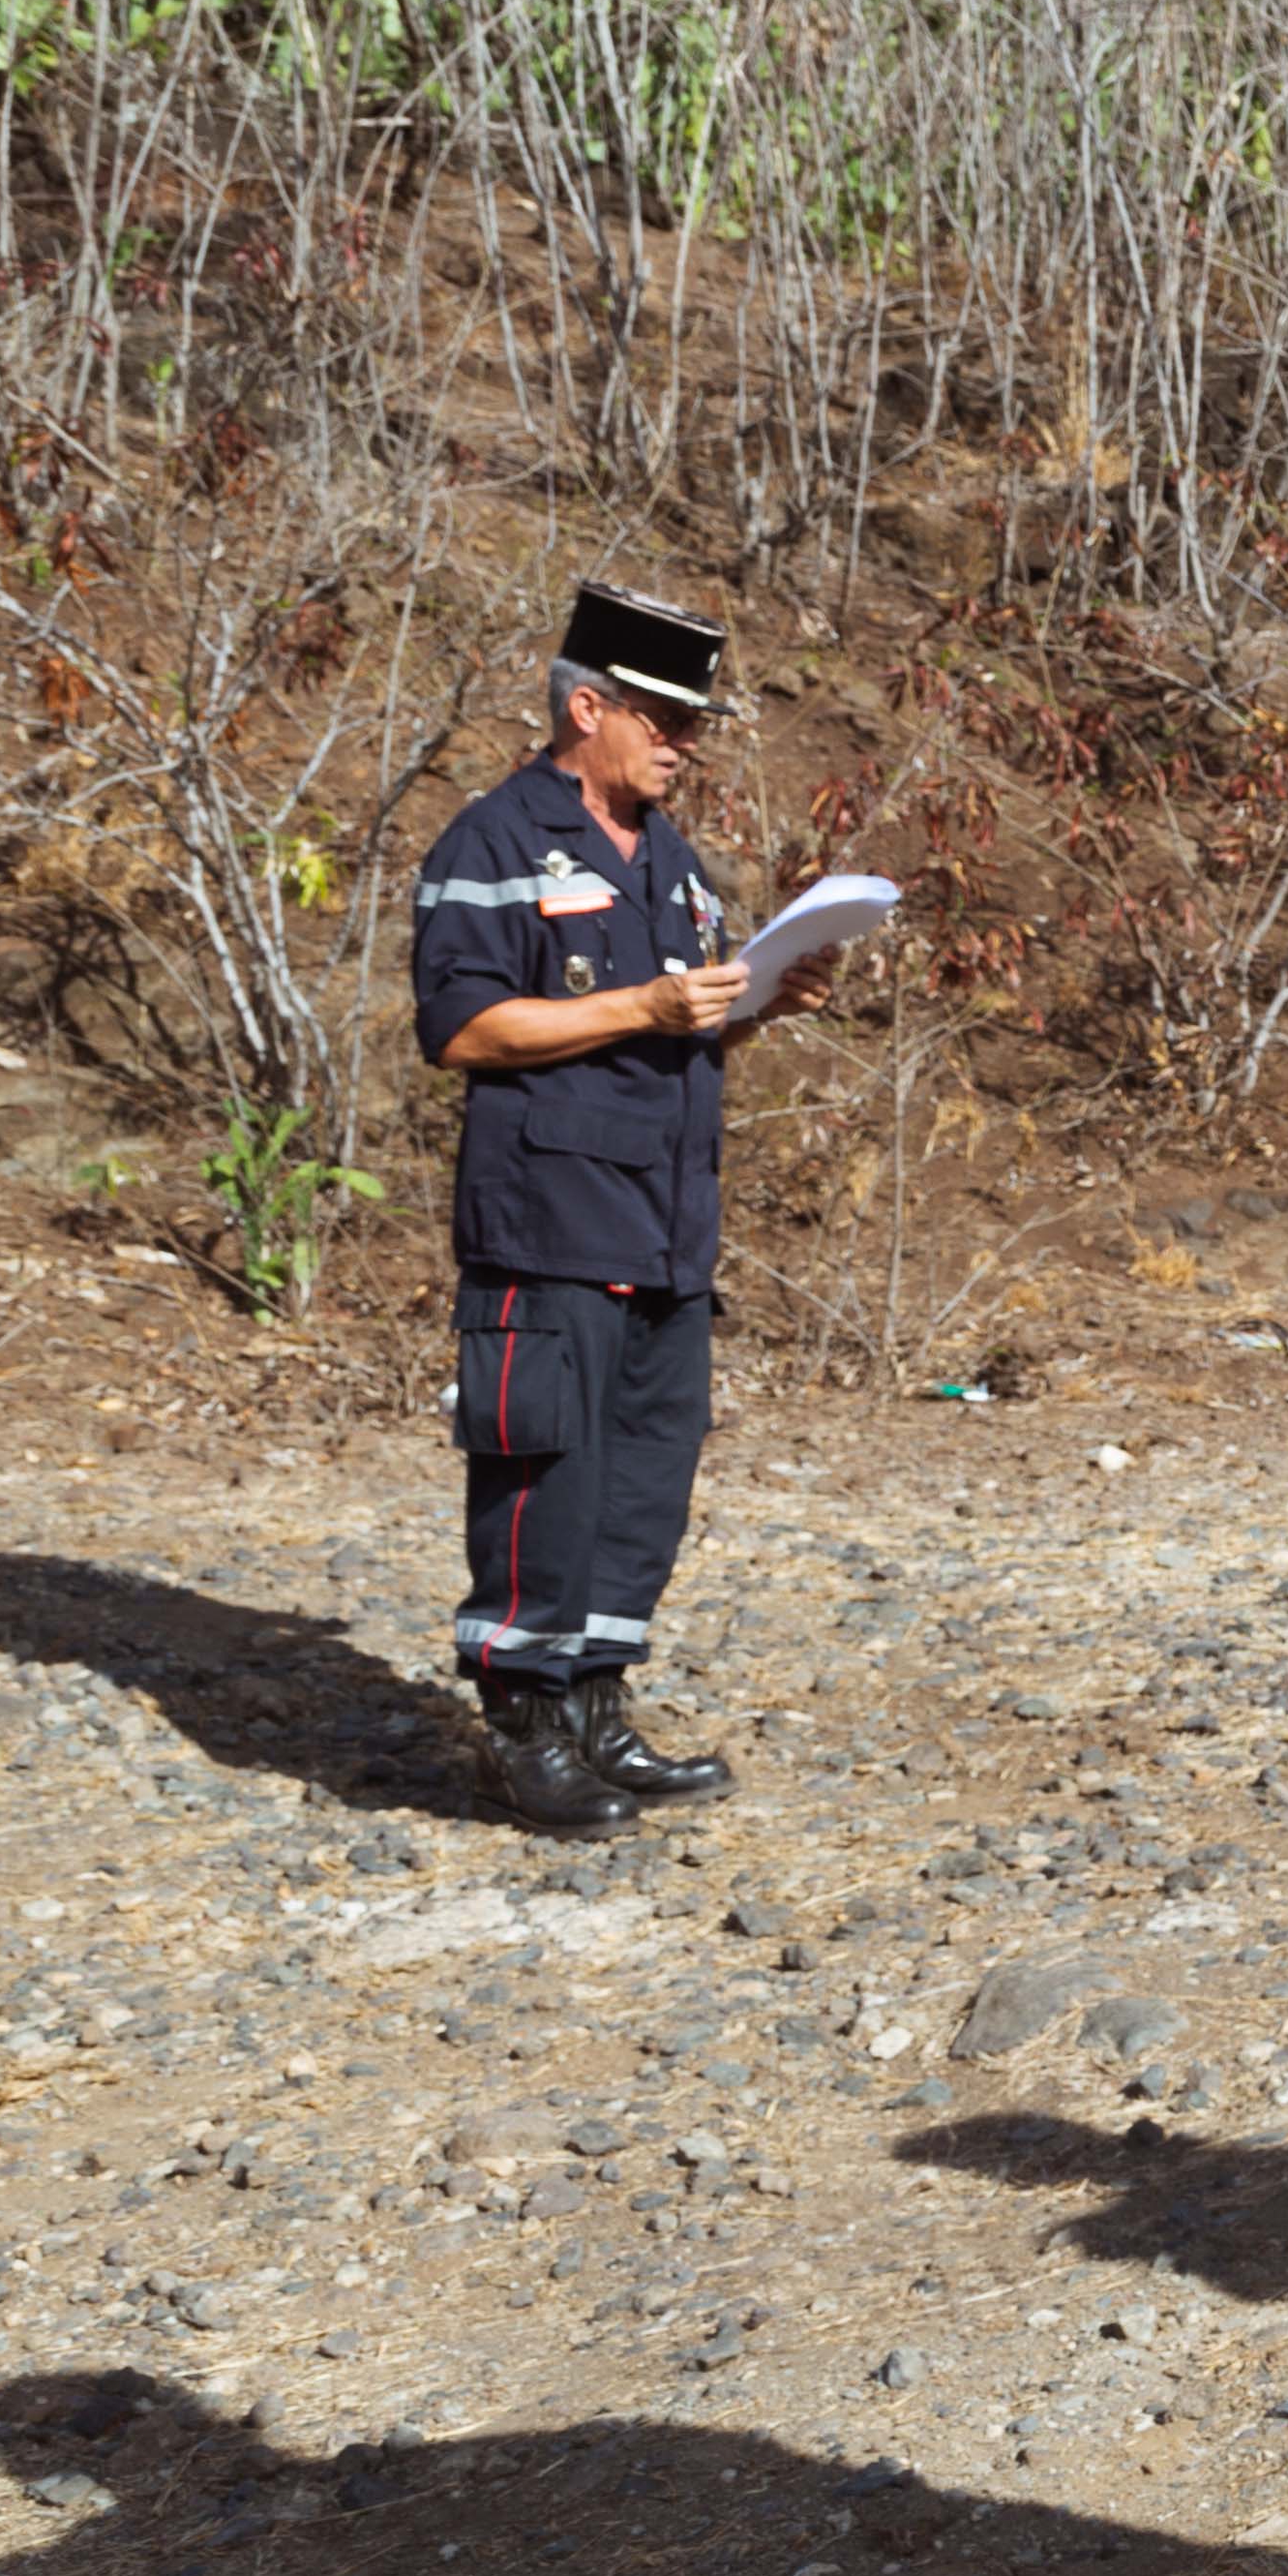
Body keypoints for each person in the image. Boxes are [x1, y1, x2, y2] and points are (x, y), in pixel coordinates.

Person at [410, 587, 840, 1832]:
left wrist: (756, 1003)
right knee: (544, 1470)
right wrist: (645, 1008)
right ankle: (524, 1726)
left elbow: (674, 1039)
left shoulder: (675, 861)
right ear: (584, 706)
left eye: (692, 724)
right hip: (547, 1222)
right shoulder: (492, 843)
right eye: (661, 718)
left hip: (664, 1226)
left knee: (643, 1477)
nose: (681, 742)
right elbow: (467, 1029)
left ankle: (598, 1710)